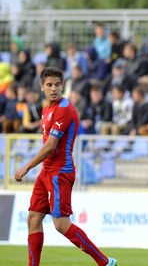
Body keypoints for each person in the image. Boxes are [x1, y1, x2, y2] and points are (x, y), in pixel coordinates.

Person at [14, 67, 117, 266]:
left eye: (57, 85)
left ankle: (105, 262)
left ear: (63, 86)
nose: (54, 88)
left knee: (61, 225)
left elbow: (51, 146)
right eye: (49, 85)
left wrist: (26, 167)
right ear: (42, 87)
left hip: (60, 172)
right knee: (33, 218)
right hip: (47, 172)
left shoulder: (65, 109)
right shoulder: (46, 110)